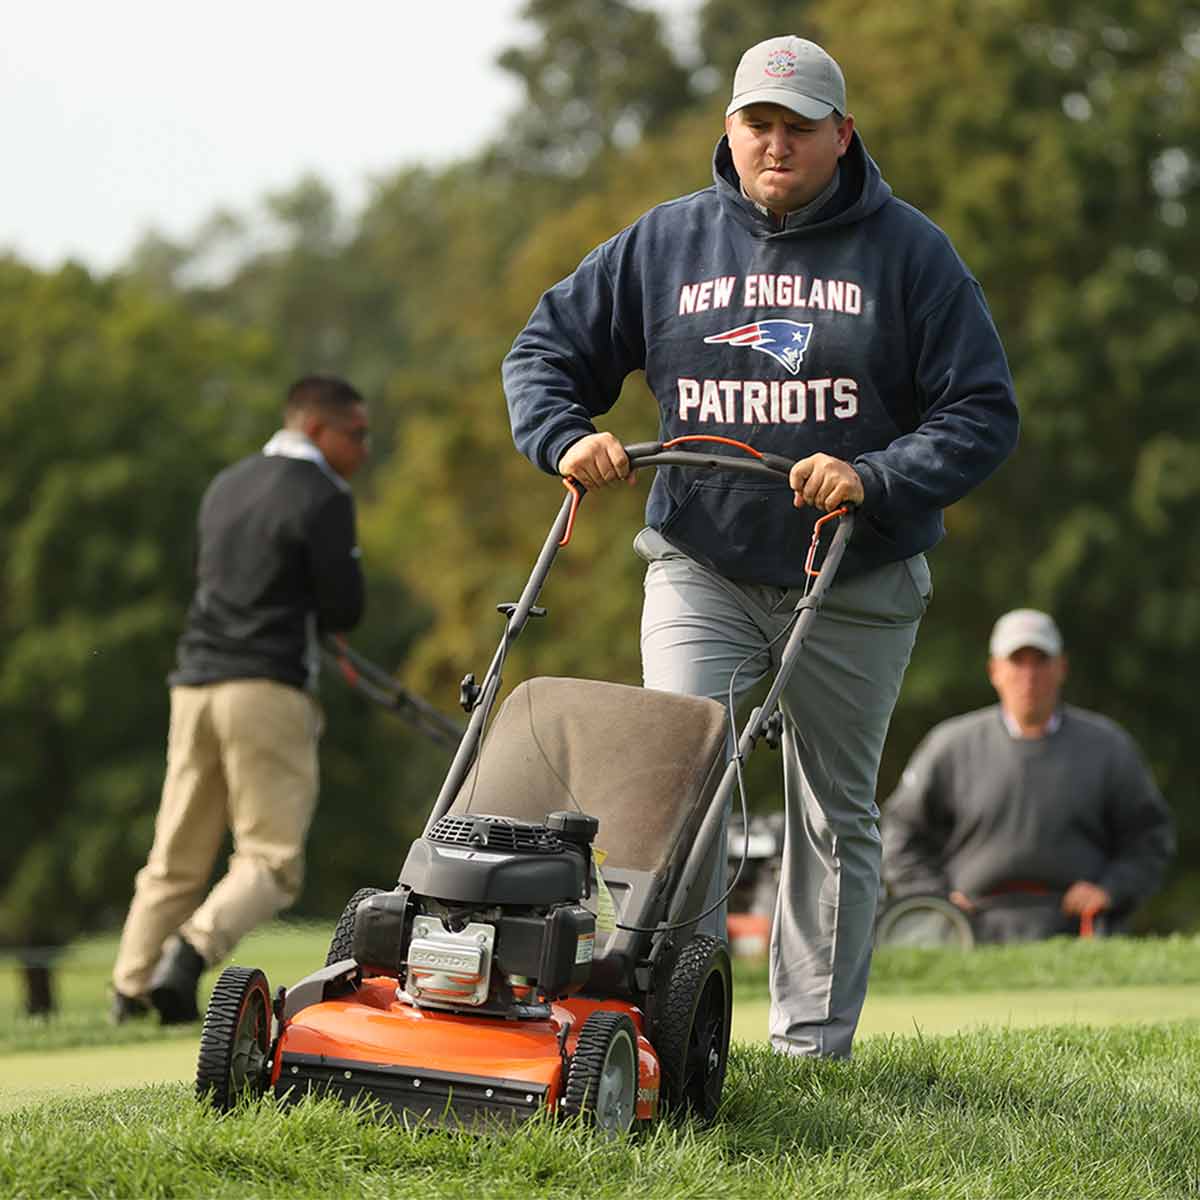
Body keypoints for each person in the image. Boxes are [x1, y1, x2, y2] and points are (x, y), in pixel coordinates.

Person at [502, 35, 1019, 1057]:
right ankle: (668, 1037)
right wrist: (569, 437)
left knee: (833, 815)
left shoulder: (911, 253)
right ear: (730, 132)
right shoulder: (665, 244)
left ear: (842, 134)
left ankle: (811, 1048)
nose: (775, 143)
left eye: (797, 127)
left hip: (854, 571)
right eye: (758, 125)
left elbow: (982, 413)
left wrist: (875, 475)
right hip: (703, 560)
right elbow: (543, 353)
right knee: (675, 790)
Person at [110, 375, 369, 1023]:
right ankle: (191, 954)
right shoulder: (325, 496)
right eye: (356, 434)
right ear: (316, 428)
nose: (364, 449)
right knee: (271, 861)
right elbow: (345, 609)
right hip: (267, 688)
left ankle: (129, 987)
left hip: (194, 684)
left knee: (176, 852)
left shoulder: (225, 485)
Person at [881, 609, 1174, 942]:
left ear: (1062, 668)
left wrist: (1110, 889)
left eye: (1041, 661)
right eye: (1017, 661)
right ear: (995, 670)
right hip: (969, 932)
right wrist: (936, 898)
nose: (1029, 675)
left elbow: (1150, 838)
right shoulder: (950, 746)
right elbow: (900, 832)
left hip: (1081, 930)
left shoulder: (1108, 746)